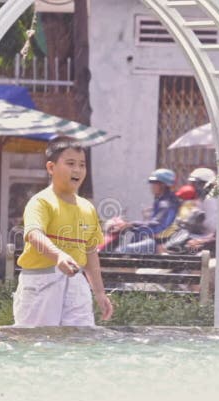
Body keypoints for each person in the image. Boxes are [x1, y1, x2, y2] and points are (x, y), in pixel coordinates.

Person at [14, 136, 113, 326]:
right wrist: (58, 256)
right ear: (51, 168)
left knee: (80, 344)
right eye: (70, 163)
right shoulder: (41, 202)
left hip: (76, 283)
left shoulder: (88, 208)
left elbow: (91, 252)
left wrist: (99, 293)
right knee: (37, 345)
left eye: (82, 164)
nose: (77, 170)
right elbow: (34, 235)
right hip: (41, 282)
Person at [115, 168, 180, 254]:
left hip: (160, 243)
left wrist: (131, 225)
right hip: (157, 240)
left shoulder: (166, 204)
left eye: (154, 183)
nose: (152, 186)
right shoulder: (162, 200)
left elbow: (156, 226)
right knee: (136, 237)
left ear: (163, 185)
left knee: (121, 251)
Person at [184, 167, 218, 250]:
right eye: (193, 184)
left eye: (196, 184)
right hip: (202, 237)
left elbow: (213, 227)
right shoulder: (200, 200)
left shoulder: (211, 200)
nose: (194, 188)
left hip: (211, 241)